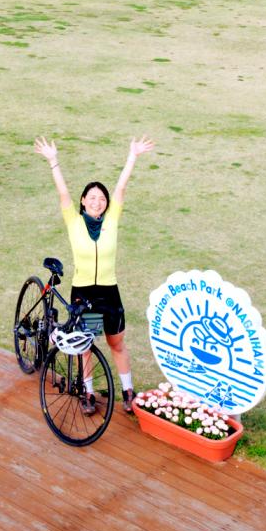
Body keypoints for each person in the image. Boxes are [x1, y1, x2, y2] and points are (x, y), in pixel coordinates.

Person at [32, 134, 155, 415]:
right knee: (86, 345)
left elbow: (121, 189)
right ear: (83, 201)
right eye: (92, 198)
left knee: (116, 343)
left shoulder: (111, 221)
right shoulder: (74, 222)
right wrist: (53, 161)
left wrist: (132, 157)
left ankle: (127, 391)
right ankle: (87, 392)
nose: (98, 202)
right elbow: (62, 193)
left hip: (109, 293)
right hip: (85, 294)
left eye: (102, 198)